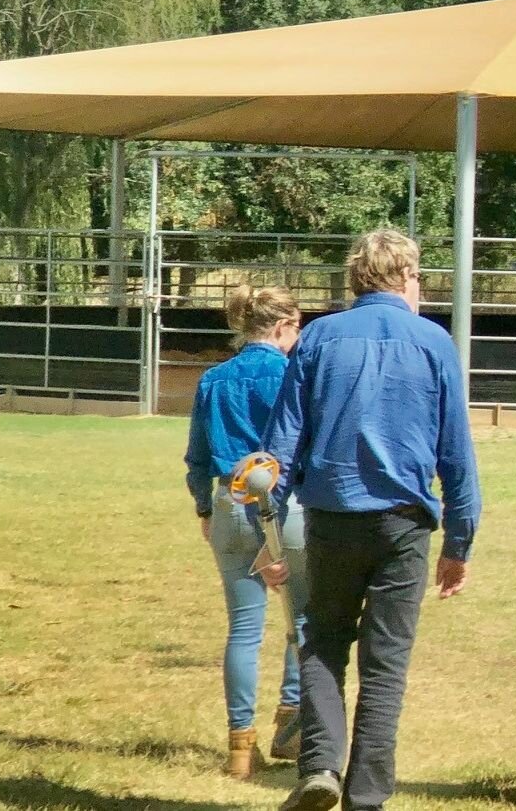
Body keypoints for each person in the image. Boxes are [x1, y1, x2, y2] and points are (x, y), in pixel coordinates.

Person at [263, 228, 481, 811]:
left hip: (332, 517)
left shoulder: (318, 339)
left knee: (323, 641)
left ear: (355, 278)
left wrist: (269, 528)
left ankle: (319, 767)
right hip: (404, 524)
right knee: (386, 664)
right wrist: (459, 541)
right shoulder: (434, 343)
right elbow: (456, 452)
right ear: (407, 277)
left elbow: (280, 445)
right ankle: (367, 795)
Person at [184, 283, 309, 779]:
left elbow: (196, 454)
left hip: (229, 501)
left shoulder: (214, 378)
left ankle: (240, 746)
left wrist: (203, 508)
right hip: (286, 502)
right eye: (297, 327)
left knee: (243, 629)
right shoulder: (292, 373)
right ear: (281, 326)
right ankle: (293, 722)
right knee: (302, 618)